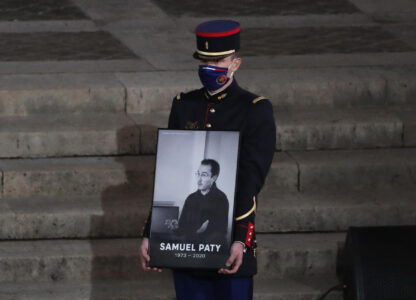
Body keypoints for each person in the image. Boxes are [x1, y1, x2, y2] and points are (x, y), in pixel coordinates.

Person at [140, 19, 276, 300]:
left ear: (236, 63)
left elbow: (251, 180)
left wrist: (241, 239)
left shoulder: (255, 110)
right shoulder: (183, 104)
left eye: (218, 60)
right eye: (204, 59)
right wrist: (150, 233)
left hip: (229, 245)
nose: (209, 66)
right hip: (187, 254)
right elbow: (165, 172)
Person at [175, 159, 229, 244]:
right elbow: (182, 229)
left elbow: (222, 232)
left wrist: (203, 232)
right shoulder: (190, 198)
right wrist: (176, 227)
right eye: (198, 174)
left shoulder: (220, 198)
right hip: (188, 247)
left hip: (209, 250)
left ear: (214, 178)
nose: (199, 179)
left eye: (204, 175)